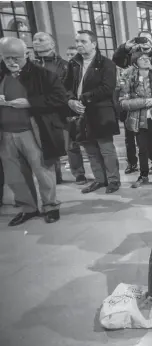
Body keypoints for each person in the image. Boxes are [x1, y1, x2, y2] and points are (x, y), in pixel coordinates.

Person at [0, 37, 67, 225]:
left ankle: (51, 206)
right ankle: (28, 208)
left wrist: (31, 103)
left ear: (26, 55)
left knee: (43, 171)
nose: (11, 62)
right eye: (7, 59)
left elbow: (59, 98)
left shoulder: (42, 75)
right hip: (5, 133)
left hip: (32, 131)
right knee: (15, 175)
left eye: (16, 58)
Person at [65, 30, 121, 194]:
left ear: (94, 44)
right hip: (79, 112)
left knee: (106, 149)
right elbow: (66, 86)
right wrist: (70, 101)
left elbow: (107, 88)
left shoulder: (106, 64)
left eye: (83, 41)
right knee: (90, 149)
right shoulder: (73, 63)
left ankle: (113, 180)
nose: (79, 45)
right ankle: (99, 180)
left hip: (101, 111)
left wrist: (82, 98)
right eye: (77, 42)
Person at [119, 50, 152, 188]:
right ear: (135, 63)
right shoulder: (129, 79)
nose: (146, 60)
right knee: (142, 149)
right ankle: (143, 176)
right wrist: (142, 102)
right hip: (138, 118)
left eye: (147, 57)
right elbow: (123, 102)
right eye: (142, 58)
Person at [32, 31, 74, 185]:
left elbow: (65, 90)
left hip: (57, 112)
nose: (36, 42)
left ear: (51, 44)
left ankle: (58, 176)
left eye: (41, 39)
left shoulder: (64, 66)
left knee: (59, 146)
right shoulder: (31, 65)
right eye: (34, 39)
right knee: (40, 147)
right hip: (36, 111)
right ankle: (50, 178)